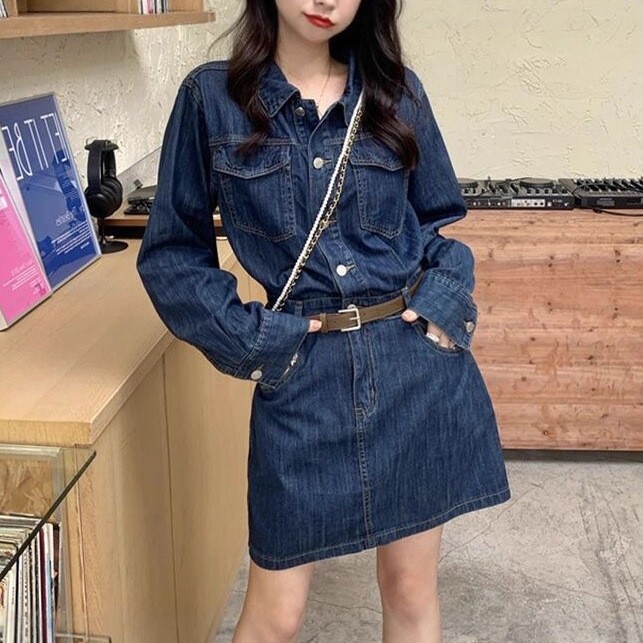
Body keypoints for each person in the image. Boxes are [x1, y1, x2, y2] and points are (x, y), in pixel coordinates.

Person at [136, 0, 512, 640]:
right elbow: (172, 256)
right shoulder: (212, 98)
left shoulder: (396, 93)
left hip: (414, 370)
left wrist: (442, 307)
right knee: (276, 616)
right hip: (302, 374)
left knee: (410, 590)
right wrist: (259, 340)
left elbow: (434, 223)